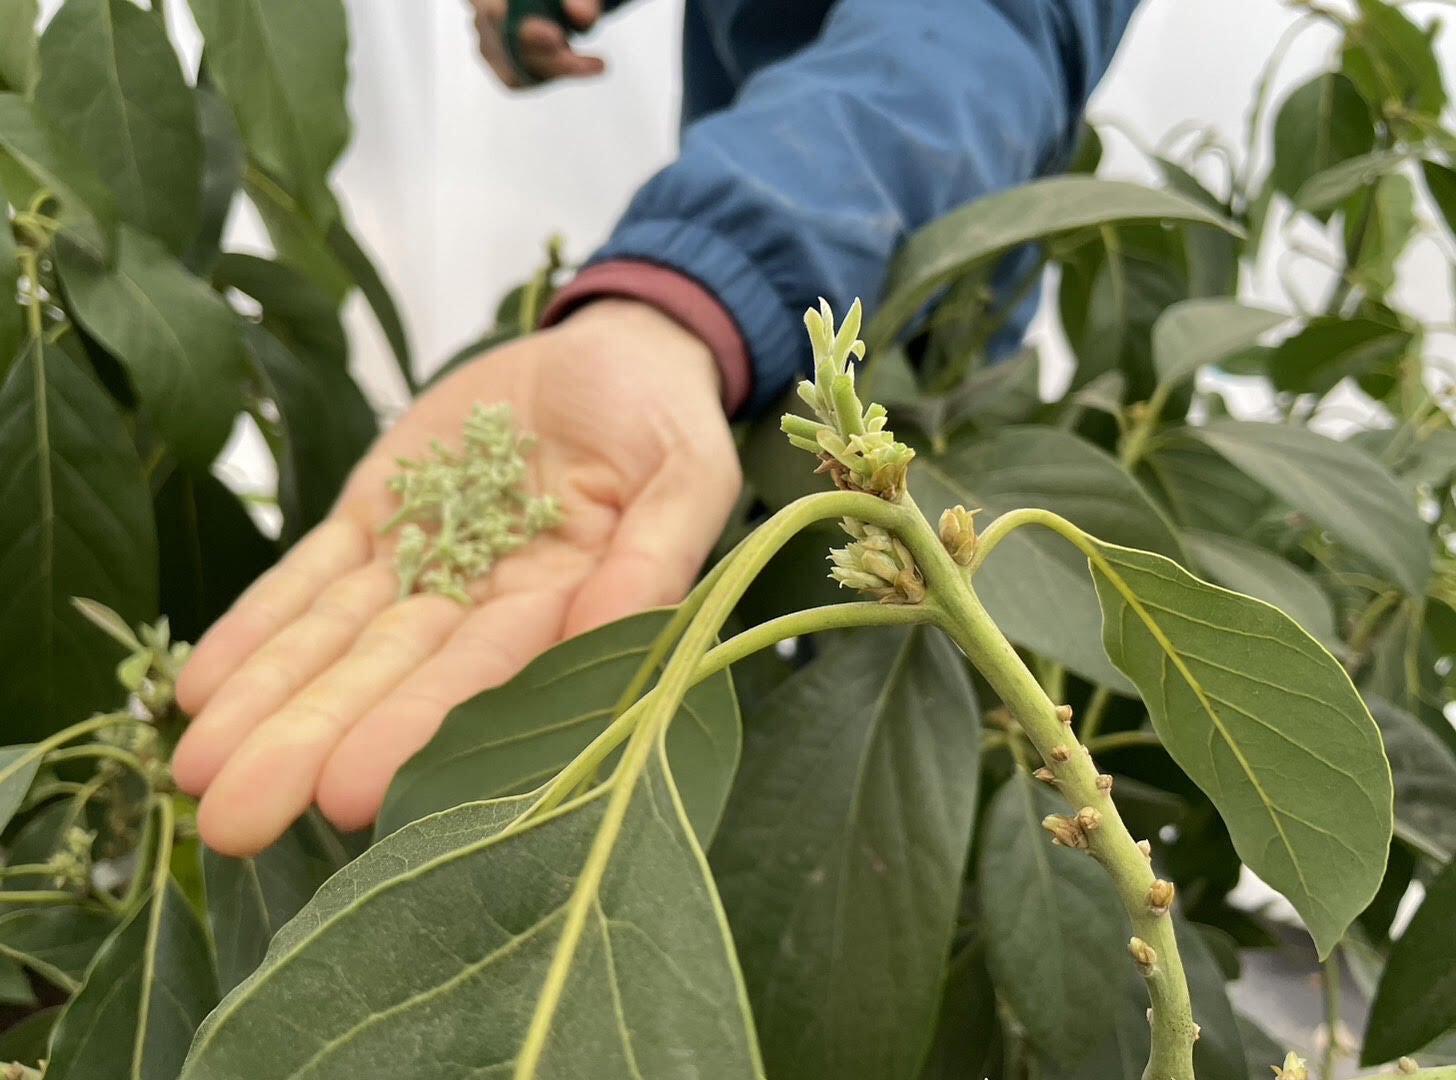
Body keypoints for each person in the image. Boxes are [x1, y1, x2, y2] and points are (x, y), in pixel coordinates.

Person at [172, 0, 1140, 856]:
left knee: (876, 654)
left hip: (923, 290)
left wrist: (706, 273)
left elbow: (978, 29)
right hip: (764, 290)